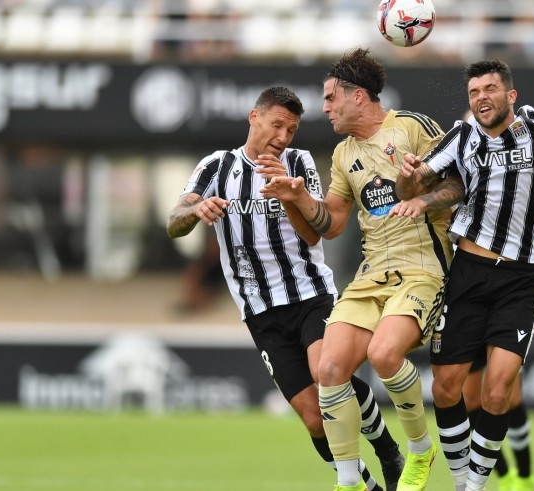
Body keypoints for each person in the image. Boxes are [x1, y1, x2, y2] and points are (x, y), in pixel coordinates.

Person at [391, 61, 534, 490]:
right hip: (468, 273)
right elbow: (416, 185)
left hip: (520, 281)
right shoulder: (460, 138)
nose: (481, 96)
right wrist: (408, 178)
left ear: (510, 95)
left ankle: (473, 485)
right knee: (446, 388)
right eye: (474, 90)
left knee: (499, 392)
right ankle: (464, 479)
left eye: (491, 88)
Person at [166, 86, 404, 491]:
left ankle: (387, 449)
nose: (283, 137)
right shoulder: (216, 167)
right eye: (277, 125)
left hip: (309, 295)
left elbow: (313, 237)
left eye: (291, 130)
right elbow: (174, 221)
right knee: (314, 417)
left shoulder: (298, 163)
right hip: (260, 311)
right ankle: (369, 487)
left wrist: (290, 195)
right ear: (253, 118)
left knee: (328, 373)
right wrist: (195, 209)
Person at [260, 48, 452, 491]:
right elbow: (332, 223)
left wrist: (421, 192)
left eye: (331, 98)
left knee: (385, 355)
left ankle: (421, 451)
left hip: (422, 268)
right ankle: (348, 480)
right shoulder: (345, 154)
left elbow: (459, 184)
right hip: (372, 275)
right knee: (329, 368)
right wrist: (296, 196)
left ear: (359, 97)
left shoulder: (412, 128)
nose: (324, 108)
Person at [462, 196, 534, 491]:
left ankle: (525, 477)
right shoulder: (458, 173)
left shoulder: (525, 180)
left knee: (506, 395)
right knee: (470, 400)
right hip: (465, 295)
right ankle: (506, 475)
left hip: (508, 295)